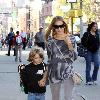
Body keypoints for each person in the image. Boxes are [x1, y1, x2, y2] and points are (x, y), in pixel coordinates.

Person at [45, 16, 77, 100]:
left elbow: (74, 57)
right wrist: (45, 76)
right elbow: (50, 59)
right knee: (55, 98)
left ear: (64, 26)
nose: (59, 29)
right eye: (56, 26)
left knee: (68, 97)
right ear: (53, 27)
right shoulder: (50, 41)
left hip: (68, 72)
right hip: (54, 72)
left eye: (61, 26)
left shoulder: (72, 38)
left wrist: (69, 44)